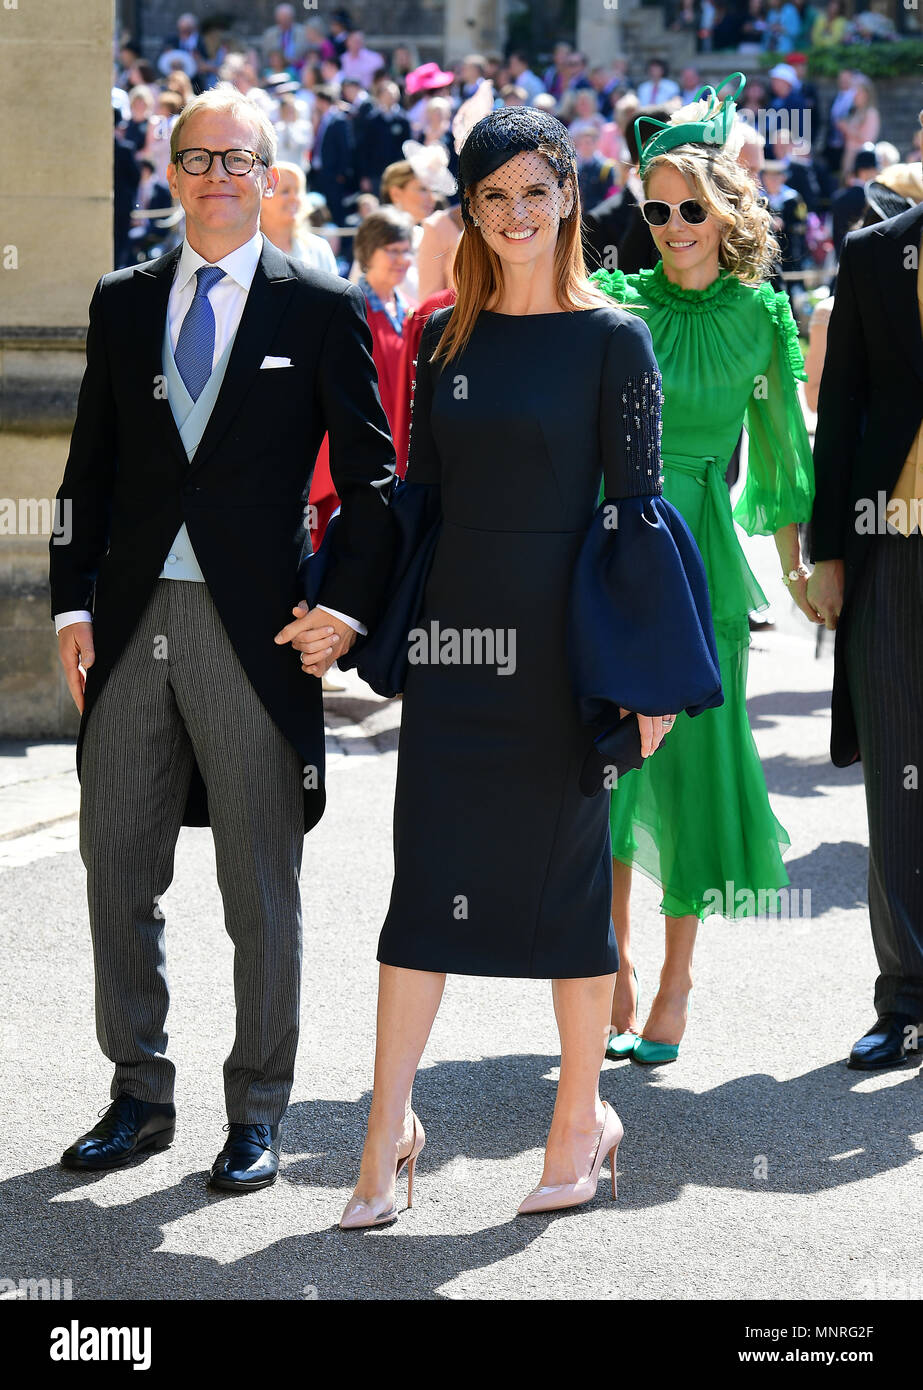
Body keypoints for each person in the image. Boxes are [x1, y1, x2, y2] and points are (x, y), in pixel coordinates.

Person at [299, 106, 721, 1228]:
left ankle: (580, 1117)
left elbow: (637, 512)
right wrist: (346, 608)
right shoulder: (440, 337)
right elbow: (411, 507)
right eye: (493, 197)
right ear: (470, 213)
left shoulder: (612, 338)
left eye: (536, 190)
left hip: (562, 659)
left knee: (571, 892)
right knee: (419, 890)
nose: (516, 214)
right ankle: (386, 1131)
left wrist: (645, 681)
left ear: (568, 198)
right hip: (452, 655)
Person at [51, 87, 396, 1192]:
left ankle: (257, 1109)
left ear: (268, 173)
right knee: (115, 868)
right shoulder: (121, 302)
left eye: (236, 159)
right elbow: (87, 473)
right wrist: (69, 605)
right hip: (127, 622)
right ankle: (137, 1093)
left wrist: (341, 606)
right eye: (196, 157)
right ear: (169, 167)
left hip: (256, 633)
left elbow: (375, 484)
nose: (216, 177)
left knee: (260, 887)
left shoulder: (320, 304)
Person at [591, 75, 818, 1065]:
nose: (673, 224)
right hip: (608, 550)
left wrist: (804, 571)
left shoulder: (761, 318)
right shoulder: (607, 303)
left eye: (690, 206)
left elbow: (778, 460)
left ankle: (676, 980)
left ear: (725, 208)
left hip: (700, 564)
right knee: (604, 772)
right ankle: (611, 962)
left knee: (693, 773)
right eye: (656, 207)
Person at [807, 188, 923, 1071]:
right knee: (897, 778)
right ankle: (906, 1001)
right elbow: (838, 406)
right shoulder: (875, 255)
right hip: (892, 549)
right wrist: (829, 551)